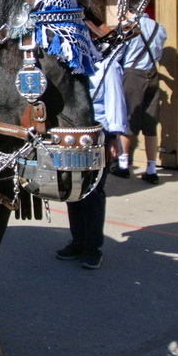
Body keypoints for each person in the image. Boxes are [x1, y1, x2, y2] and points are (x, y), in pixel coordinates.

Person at [55, 53, 126, 270]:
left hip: (98, 133)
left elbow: (115, 100)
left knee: (93, 192)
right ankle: (78, 241)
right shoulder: (67, 62)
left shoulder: (106, 64)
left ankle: (93, 247)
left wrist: (114, 137)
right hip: (72, 133)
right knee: (72, 189)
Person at [112, 7, 167, 185]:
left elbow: (117, 54)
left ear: (129, 11)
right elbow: (158, 53)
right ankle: (151, 169)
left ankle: (123, 165)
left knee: (128, 119)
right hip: (152, 73)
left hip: (133, 74)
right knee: (150, 123)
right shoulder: (159, 27)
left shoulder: (129, 27)